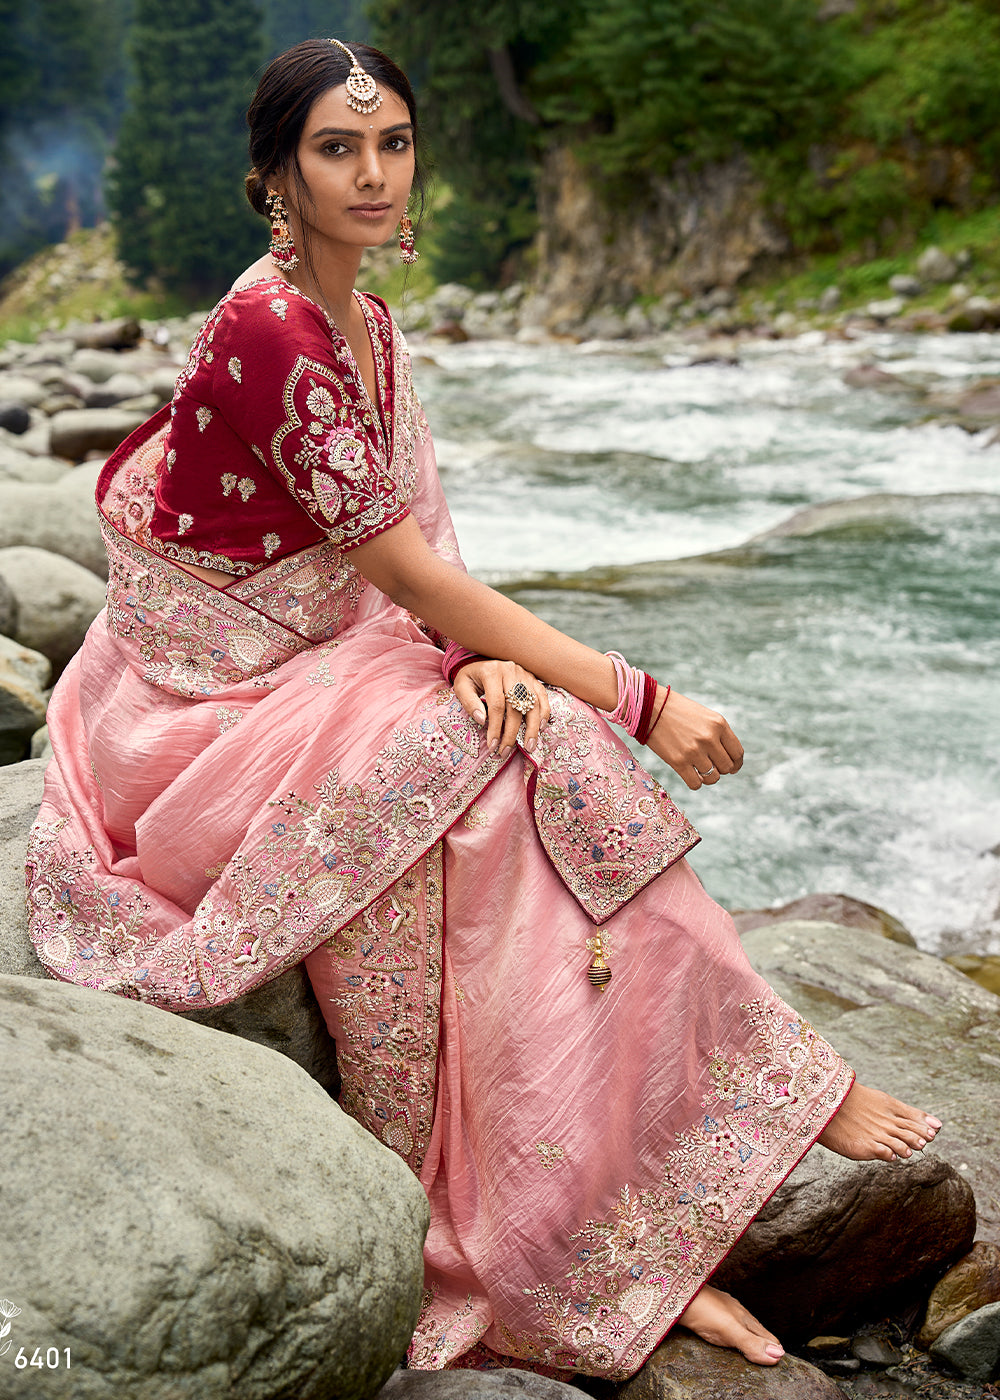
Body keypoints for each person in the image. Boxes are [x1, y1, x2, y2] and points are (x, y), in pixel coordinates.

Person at [26, 38, 941, 1379]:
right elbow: (403, 571)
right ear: (277, 172)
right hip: (203, 702)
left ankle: (703, 1139)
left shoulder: (369, 325)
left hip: (330, 648)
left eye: (393, 143)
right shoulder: (266, 330)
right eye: (339, 149)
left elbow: (418, 553)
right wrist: (638, 695)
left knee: (529, 742)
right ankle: (542, 1237)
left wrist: (470, 654)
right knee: (511, 768)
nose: (375, 173)